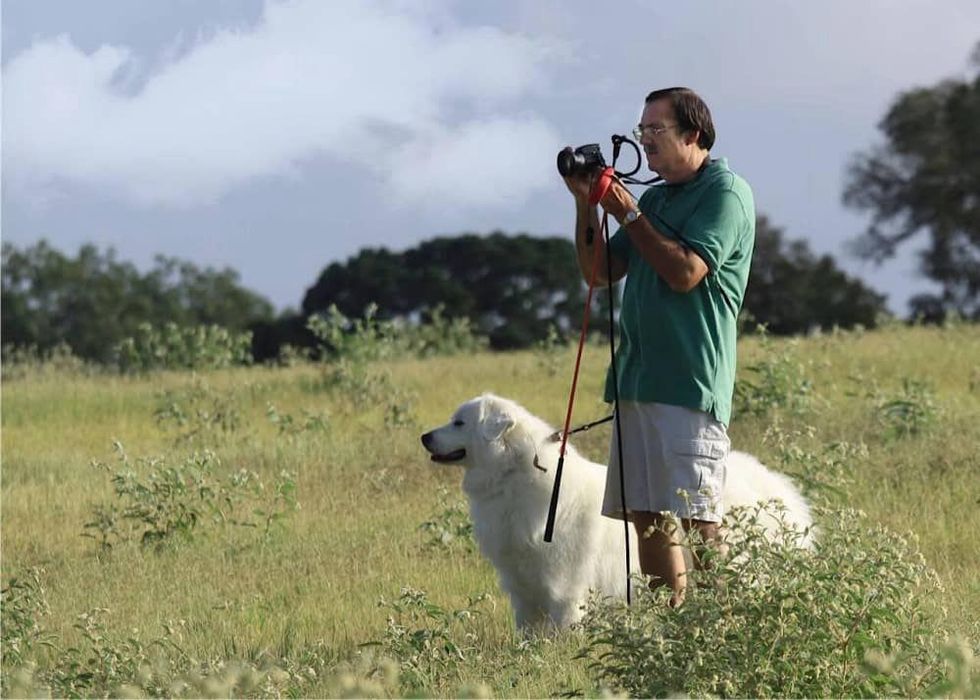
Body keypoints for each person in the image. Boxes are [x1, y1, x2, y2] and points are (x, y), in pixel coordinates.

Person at [562, 87, 755, 606]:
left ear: (694, 135)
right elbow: (600, 273)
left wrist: (626, 210)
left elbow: (685, 272)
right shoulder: (656, 198)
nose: (644, 140)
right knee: (647, 517)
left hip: (688, 383)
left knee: (697, 518)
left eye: (656, 130)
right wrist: (586, 204)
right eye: (641, 129)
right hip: (637, 382)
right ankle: (669, 632)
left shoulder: (726, 193)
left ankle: (721, 628)